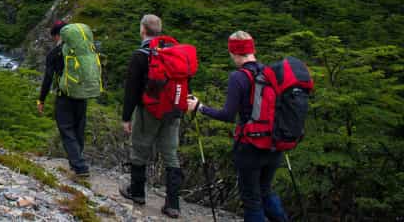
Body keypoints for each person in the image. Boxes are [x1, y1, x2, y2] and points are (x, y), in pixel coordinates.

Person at [187, 31, 289, 222]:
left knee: (251, 199)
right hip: (275, 144)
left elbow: (227, 115)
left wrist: (200, 108)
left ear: (233, 52)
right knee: (265, 191)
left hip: (250, 146)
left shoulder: (238, 77)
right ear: (252, 49)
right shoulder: (271, 73)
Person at [120, 14, 184, 218]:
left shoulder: (141, 54)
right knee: (171, 154)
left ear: (143, 30)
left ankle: (137, 193)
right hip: (173, 111)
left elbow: (131, 90)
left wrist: (126, 117)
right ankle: (173, 204)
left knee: (140, 149)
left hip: (149, 111)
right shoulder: (174, 53)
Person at [38, 20, 90, 177]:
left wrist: (41, 99)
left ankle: (79, 166)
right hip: (82, 94)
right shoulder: (83, 49)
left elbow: (48, 79)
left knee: (66, 129)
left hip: (64, 96)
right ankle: (77, 160)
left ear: (58, 35)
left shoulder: (55, 53)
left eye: (54, 37)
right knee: (78, 128)